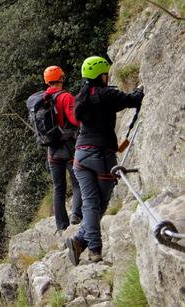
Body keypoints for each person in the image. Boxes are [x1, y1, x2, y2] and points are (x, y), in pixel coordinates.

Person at [65, 56, 144, 265]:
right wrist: (141, 88)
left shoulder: (80, 97)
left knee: (91, 203)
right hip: (101, 156)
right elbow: (133, 99)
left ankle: (80, 241)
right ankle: (94, 250)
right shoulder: (107, 94)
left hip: (80, 156)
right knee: (98, 203)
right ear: (102, 75)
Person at [42, 66, 83, 234]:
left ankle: (61, 226)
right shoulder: (66, 97)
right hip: (69, 147)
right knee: (77, 182)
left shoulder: (43, 99)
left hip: (52, 150)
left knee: (58, 188)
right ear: (61, 78)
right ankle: (76, 215)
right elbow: (75, 120)